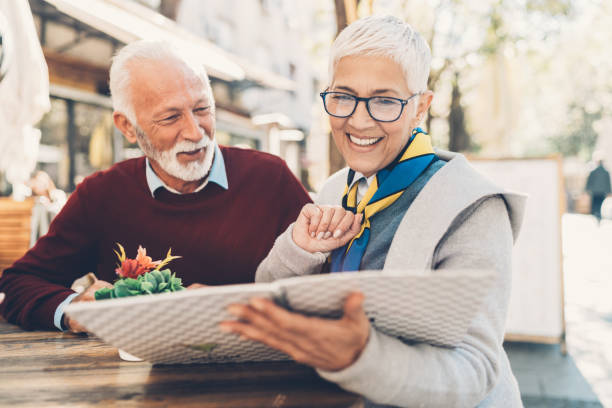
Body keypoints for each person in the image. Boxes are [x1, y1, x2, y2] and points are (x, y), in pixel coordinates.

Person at [220, 15, 526, 407]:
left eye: (385, 101)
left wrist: (361, 357)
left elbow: (475, 371)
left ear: (420, 108)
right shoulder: (335, 188)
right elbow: (269, 294)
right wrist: (298, 247)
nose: (359, 120)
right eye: (343, 96)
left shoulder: (474, 206)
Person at [0, 40, 311, 332]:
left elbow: (323, 285)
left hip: (259, 374)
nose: (194, 131)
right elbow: (18, 283)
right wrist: (75, 310)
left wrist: (225, 305)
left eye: (202, 109)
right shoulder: (101, 195)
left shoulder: (270, 178)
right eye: (171, 117)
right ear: (127, 127)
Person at [586, 157, 611, 222]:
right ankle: (598, 215)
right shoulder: (606, 172)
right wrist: (609, 191)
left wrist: (587, 189)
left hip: (595, 191)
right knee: (600, 203)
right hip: (602, 191)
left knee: (595, 203)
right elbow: (608, 183)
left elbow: (589, 181)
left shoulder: (593, 171)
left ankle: (595, 214)